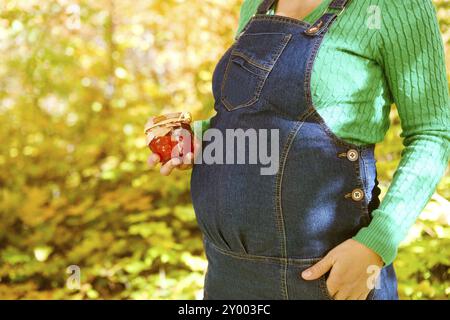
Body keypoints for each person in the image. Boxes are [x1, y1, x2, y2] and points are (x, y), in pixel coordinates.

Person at [147, 0, 450, 299]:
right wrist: (200, 139)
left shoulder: (392, 7)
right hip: (227, 273)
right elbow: (253, 118)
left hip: (327, 276)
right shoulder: (256, 5)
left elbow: (432, 133)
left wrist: (376, 244)